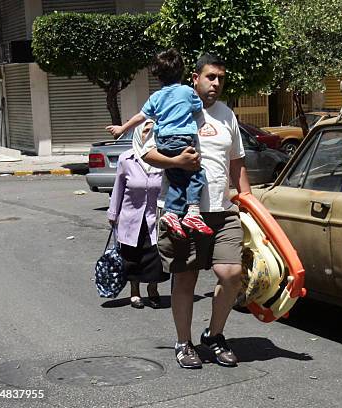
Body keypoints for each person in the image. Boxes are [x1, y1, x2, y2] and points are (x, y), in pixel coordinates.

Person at [136, 53, 251, 369]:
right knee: (184, 279)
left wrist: (250, 202)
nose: (216, 83)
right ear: (194, 78)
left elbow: (237, 162)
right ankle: (183, 342)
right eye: (211, 76)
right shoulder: (169, 105)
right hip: (180, 211)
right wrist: (175, 162)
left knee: (231, 274)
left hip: (222, 210)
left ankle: (214, 335)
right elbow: (144, 151)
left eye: (221, 78)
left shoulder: (227, 115)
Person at [107, 48, 212, 239]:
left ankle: (172, 213)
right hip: (182, 140)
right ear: (182, 72)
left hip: (163, 142)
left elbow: (141, 116)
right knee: (197, 173)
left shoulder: (155, 97)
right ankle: (193, 212)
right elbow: (199, 108)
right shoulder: (187, 91)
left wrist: (122, 129)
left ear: (158, 77)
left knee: (177, 179)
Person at [107, 120, 168, 309]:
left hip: (156, 218)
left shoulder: (164, 159)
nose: (150, 134)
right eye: (146, 130)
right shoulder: (126, 159)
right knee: (132, 256)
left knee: (156, 257)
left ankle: (153, 289)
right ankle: (135, 292)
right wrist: (113, 213)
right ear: (138, 133)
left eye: (154, 131)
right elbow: (118, 187)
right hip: (131, 218)